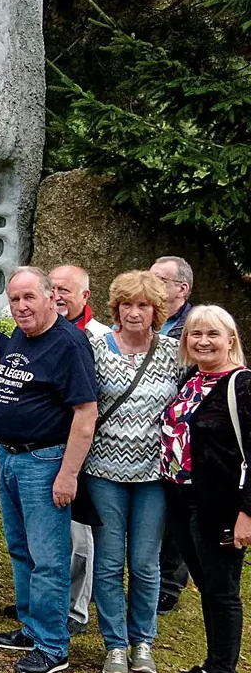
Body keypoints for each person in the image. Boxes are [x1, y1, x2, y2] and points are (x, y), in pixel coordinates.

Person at [0, 266, 98, 673]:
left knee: (48, 559)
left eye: (28, 297)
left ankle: (53, 646)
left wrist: (68, 475)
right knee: (20, 550)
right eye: (14, 299)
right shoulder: (22, 334)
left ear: (52, 297)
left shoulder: (68, 344)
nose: (20, 307)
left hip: (45, 463)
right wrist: (2, 451)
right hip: (12, 457)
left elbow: (85, 414)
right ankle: (32, 628)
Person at [84, 271, 183, 673]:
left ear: (156, 310)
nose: (134, 312)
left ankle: (143, 640)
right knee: (107, 563)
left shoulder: (175, 352)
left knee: (144, 562)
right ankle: (115, 646)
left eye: (143, 305)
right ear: (116, 308)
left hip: (153, 475)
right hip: (103, 471)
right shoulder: (96, 347)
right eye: (127, 305)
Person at [161, 305, 251, 673]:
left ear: (230, 339)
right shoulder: (192, 379)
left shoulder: (242, 385)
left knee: (223, 593)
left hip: (220, 506)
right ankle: (211, 667)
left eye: (212, 334)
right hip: (182, 498)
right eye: (195, 334)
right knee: (205, 587)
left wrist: (246, 515)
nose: (202, 341)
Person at [48, 262, 110, 638]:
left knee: (79, 536)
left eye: (65, 291)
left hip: (86, 450)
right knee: (48, 532)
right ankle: (49, 600)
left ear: (85, 296)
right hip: (45, 448)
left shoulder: (99, 338)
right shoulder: (38, 330)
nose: (56, 296)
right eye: (51, 288)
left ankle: (75, 609)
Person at [152, 255, 196, 614]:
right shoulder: (148, 320)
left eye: (160, 279)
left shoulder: (193, 327)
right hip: (144, 432)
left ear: (181, 288)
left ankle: (169, 585)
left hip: (181, 435)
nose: (151, 283)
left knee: (175, 512)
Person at [152, 255, 194, 341]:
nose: (148, 285)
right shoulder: (135, 318)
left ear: (182, 289)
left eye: (158, 280)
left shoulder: (198, 324)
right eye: (148, 279)